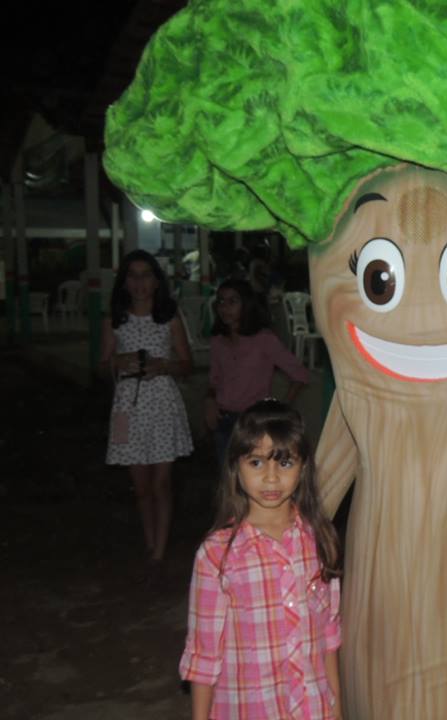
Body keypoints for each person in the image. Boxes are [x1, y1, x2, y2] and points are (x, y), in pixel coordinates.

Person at [180, 400, 343, 720]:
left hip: (311, 709)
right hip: (248, 709)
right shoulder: (217, 554)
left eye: (284, 462)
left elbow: (329, 635)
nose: (270, 478)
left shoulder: (318, 540)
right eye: (256, 462)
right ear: (236, 468)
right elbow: (203, 654)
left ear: (303, 468)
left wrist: (336, 708)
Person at [101, 250, 194, 572]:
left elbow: (187, 365)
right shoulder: (115, 320)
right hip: (127, 407)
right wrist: (115, 362)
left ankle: (159, 551)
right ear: (124, 282)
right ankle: (150, 541)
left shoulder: (168, 317)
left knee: (161, 484)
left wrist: (163, 365)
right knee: (140, 487)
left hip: (162, 404)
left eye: (146, 275)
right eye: (133, 275)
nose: (139, 282)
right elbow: (100, 367)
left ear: (156, 281)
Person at [205, 278, 310, 468]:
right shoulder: (218, 341)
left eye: (232, 301)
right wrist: (210, 402)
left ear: (246, 304)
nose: (224, 308)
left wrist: (280, 410)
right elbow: (214, 379)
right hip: (223, 420)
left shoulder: (263, 339)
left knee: (251, 479)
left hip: (253, 422)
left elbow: (300, 374)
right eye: (220, 301)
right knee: (228, 480)